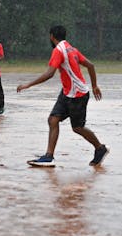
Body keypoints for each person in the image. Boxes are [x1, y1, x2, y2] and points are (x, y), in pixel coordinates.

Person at [17, 25, 108, 167]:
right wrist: (95, 85)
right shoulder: (71, 48)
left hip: (78, 94)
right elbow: (91, 65)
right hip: (67, 92)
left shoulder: (58, 51)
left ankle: (100, 148)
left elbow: (50, 73)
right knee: (53, 120)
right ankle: (49, 156)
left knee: (77, 127)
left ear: (51, 36)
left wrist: (28, 85)